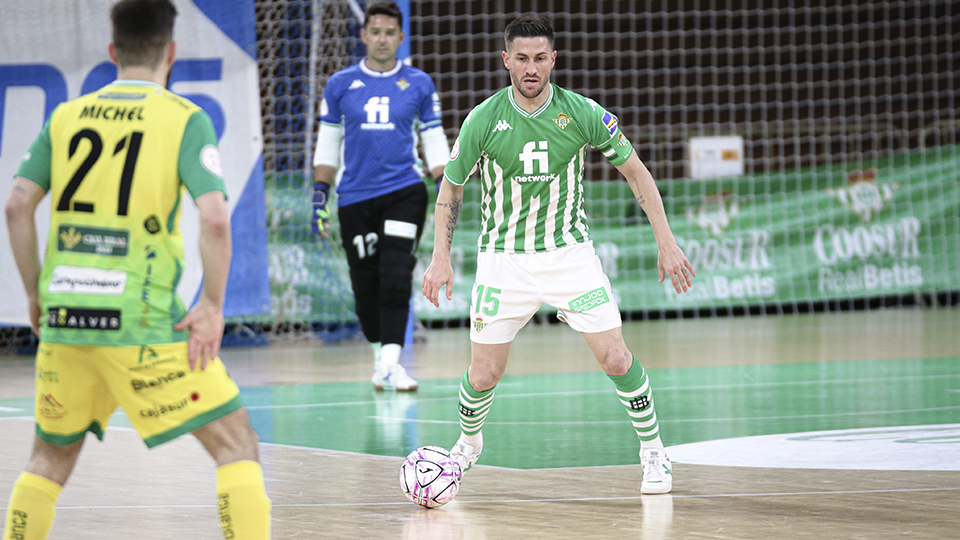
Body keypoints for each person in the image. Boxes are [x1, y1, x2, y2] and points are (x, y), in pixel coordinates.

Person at [3, 1, 270, 538]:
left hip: (66, 317)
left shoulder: (66, 118)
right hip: (140, 320)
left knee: (48, 462)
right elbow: (215, 220)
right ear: (170, 53)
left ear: (111, 53)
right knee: (236, 443)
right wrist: (213, 308)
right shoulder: (183, 118)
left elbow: (16, 205)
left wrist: (35, 294)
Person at [421, 15, 696, 495]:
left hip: (569, 255)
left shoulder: (583, 112)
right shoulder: (483, 119)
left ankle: (654, 451)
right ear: (506, 59)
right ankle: (468, 444)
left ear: (554, 59)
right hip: (503, 259)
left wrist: (667, 242)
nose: (531, 68)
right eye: (522, 58)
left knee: (614, 357)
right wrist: (439, 255)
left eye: (540, 58)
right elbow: (451, 186)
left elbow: (636, 172)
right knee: (484, 371)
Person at [311, 1, 449, 392]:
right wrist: (320, 193)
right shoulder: (340, 85)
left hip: (404, 191)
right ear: (364, 36)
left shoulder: (419, 83)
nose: (382, 39)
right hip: (354, 197)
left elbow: (433, 137)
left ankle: (392, 361)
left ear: (400, 38)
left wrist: (445, 184)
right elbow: (328, 143)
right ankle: (382, 359)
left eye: (390, 32)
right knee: (364, 287)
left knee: (394, 276)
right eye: (376, 32)